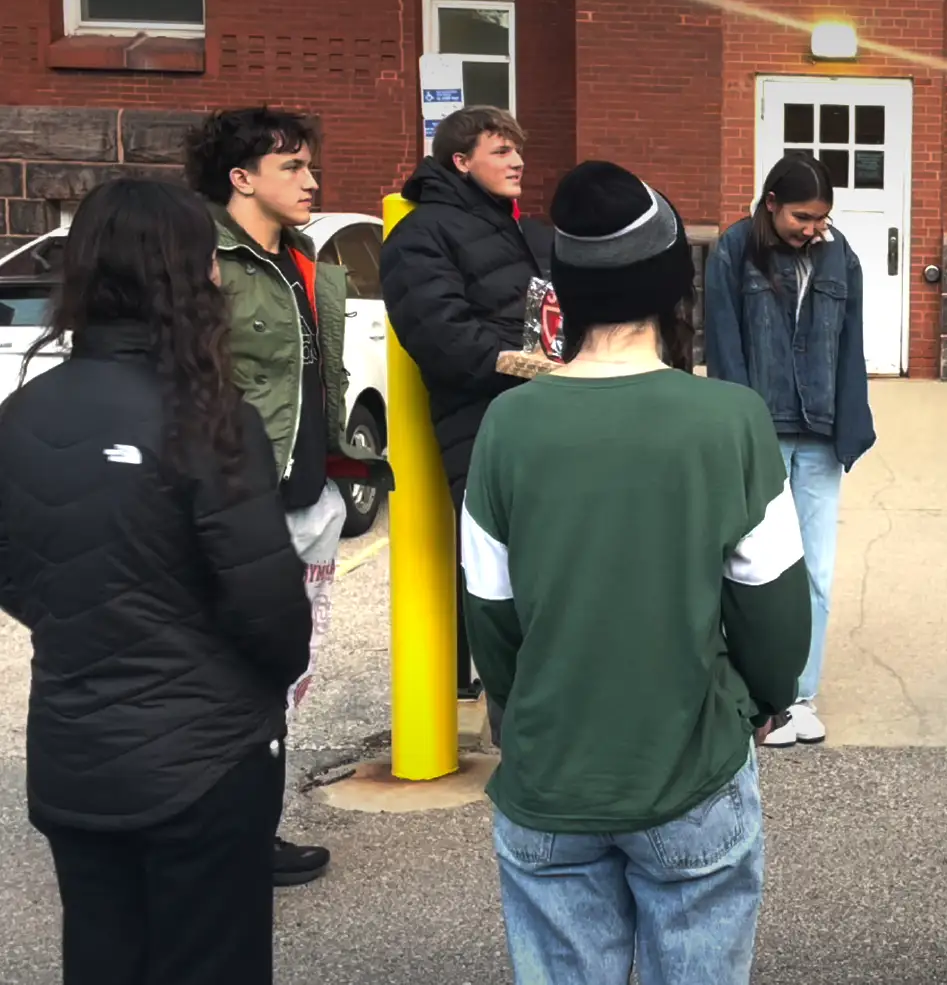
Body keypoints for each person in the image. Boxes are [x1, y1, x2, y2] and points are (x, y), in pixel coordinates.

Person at [462, 161, 811, 985]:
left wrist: (528, 710)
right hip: (689, 765)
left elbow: (490, 613)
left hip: (551, 772)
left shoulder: (507, 425)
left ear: (568, 289)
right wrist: (756, 702)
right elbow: (773, 612)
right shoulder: (731, 420)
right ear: (669, 288)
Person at [0, 179, 313, 983]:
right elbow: (272, 612)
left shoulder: (23, 414)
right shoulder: (212, 418)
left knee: (102, 956)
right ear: (186, 274)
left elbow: (17, 573)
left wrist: (91, 615)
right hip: (207, 757)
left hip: (73, 749)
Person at [185, 106, 384, 888]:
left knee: (284, 674)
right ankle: (214, 834)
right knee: (227, 673)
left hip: (307, 497)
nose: (312, 180)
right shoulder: (204, 261)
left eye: (310, 165)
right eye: (292, 167)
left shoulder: (302, 258)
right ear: (241, 178)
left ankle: (250, 829)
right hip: (240, 501)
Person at [703, 153, 877, 748]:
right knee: (754, 567)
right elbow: (724, 347)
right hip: (761, 430)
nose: (813, 228)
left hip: (823, 430)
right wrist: (734, 427)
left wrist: (853, 424)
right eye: (802, 216)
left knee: (816, 569)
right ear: (771, 203)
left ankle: (801, 694)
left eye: (822, 217)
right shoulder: (733, 251)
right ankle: (761, 697)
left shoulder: (839, 254)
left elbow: (852, 344)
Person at [381, 106, 549, 707]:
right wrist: (531, 367)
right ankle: (521, 732)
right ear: (460, 161)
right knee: (506, 586)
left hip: (539, 420)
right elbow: (443, 338)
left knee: (550, 581)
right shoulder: (421, 234)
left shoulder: (512, 228)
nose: (518, 161)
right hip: (482, 430)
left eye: (518, 149)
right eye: (501, 151)